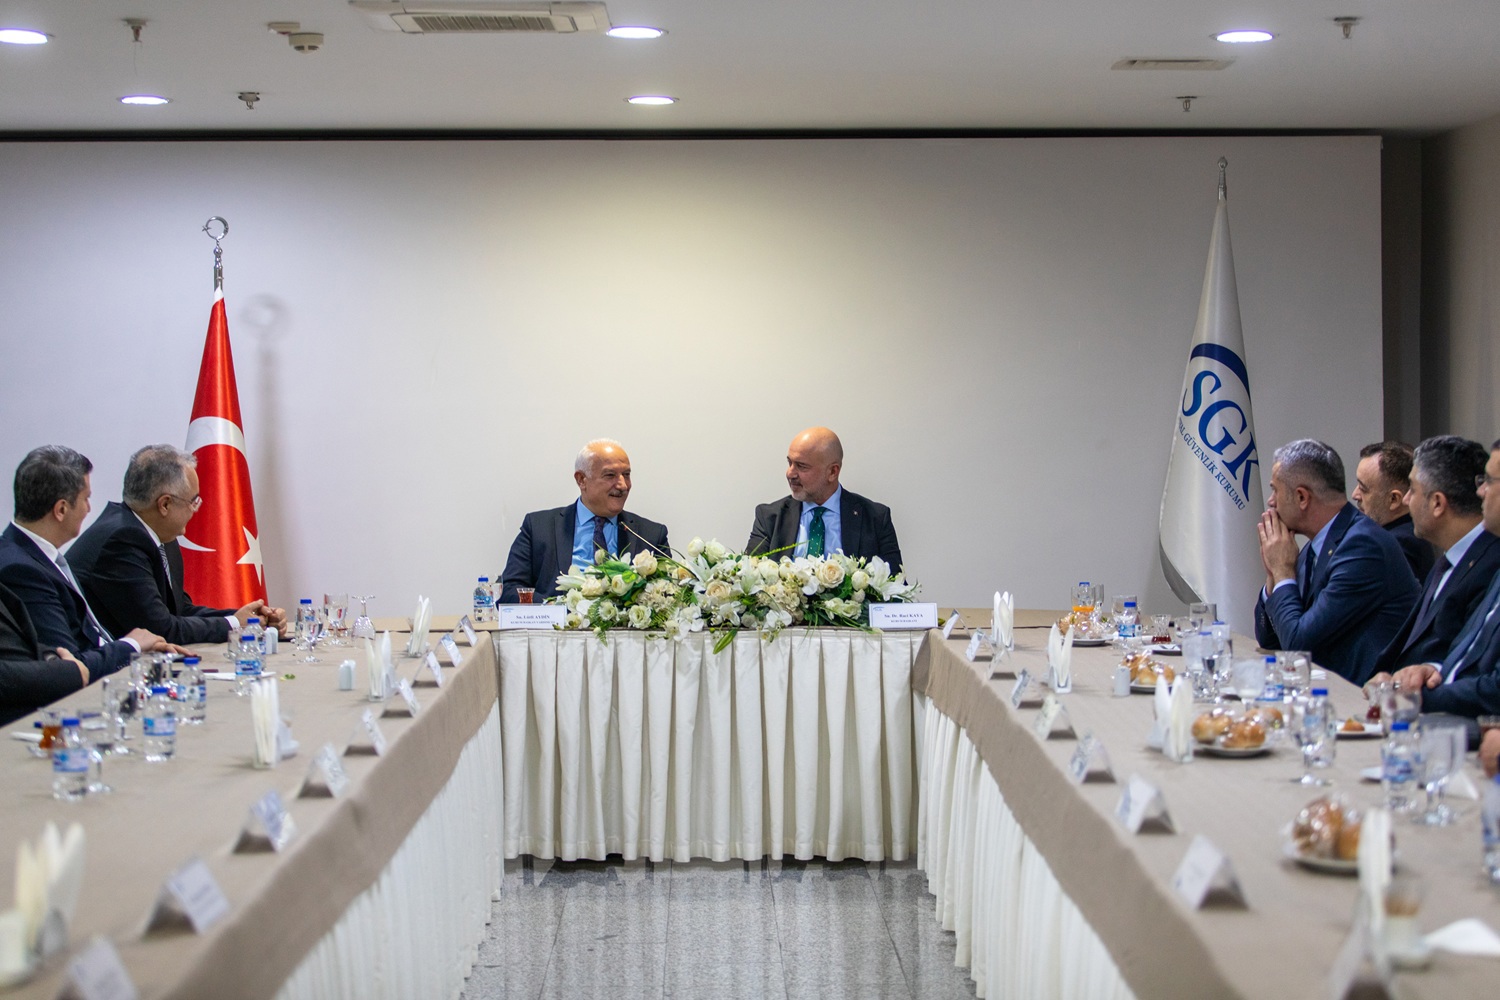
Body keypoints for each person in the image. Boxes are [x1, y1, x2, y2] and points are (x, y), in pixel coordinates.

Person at [67, 444, 285, 645]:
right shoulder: (121, 542)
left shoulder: (157, 534)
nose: (195, 510)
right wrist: (235, 624)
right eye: (193, 501)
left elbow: (179, 610)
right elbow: (161, 630)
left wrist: (250, 619)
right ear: (165, 504)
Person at [0, 446, 176, 684]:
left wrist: (138, 648)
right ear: (61, 509)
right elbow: (69, 666)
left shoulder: (36, 556)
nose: (89, 508)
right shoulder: (21, 571)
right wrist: (131, 646)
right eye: (86, 499)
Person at [1253, 439, 1417, 685]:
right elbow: (1270, 639)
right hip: (1324, 690)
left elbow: (1298, 645)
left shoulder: (1363, 546)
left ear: (1302, 497)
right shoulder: (1316, 545)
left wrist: (1283, 571)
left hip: (1364, 699)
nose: (1271, 501)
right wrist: (1272, 576)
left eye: (1275, 490)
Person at [1380, 439, 1500, 717]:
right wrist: (1432, 669)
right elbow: (1465, 656)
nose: (1480, 491)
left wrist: (1418, 697)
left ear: (1437, 502)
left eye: (1489, 481)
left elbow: (1493, 688)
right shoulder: (1450, 561)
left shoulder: (1490, 562)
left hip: (1460, 723)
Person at [499, 439, 669, 603]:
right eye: (610, 475)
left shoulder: (651, 536)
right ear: (581, 480)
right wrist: (553, 609)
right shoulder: (538, 528)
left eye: (626, 475)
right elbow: (511, 591)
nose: (623, 485)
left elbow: (669, 595)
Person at [745, 427, 903, 571]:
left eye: (801, 466)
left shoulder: (875, 518)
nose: (790, 473)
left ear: (832, 472)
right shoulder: (769, 518)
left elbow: (895, 583)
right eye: (790, 463)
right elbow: (748, 577)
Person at [1, 579, 89, 726]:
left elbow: (25, 639)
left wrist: (52, 658)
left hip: (37, 709)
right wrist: (67, 672)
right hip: (13, 723)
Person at [1353, 441, 1437, 580]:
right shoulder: (1402, 536)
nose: (1355, 495)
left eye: (1363, 489)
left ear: (1394, 499)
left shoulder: (1396, 545)